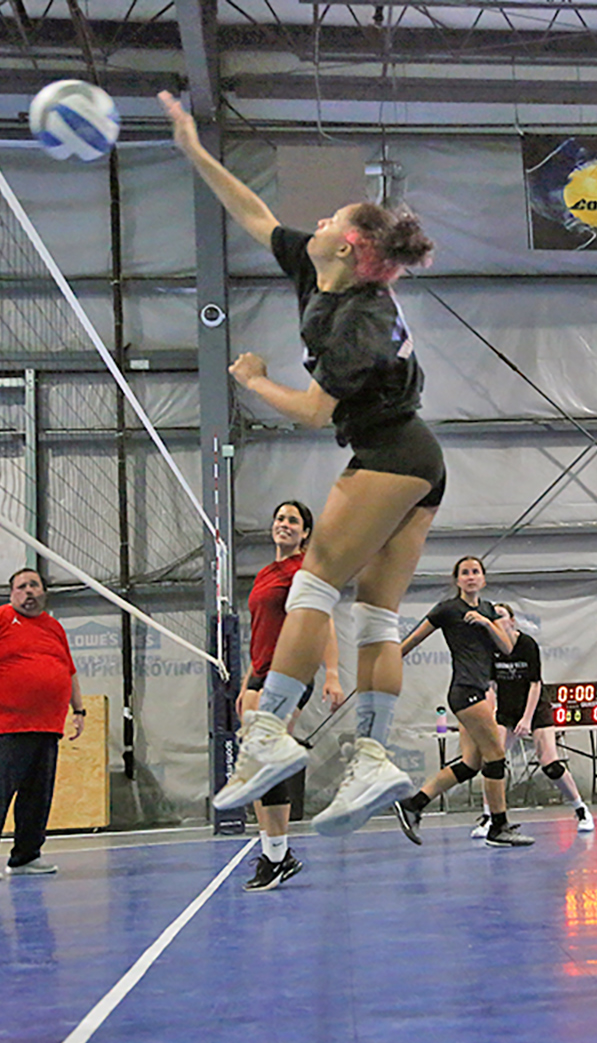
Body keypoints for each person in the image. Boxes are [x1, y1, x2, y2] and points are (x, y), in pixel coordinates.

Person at [159, 91, 438, 835]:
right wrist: (194, 150)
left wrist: (252, 381)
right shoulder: (320, 273)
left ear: (348, 246)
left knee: (313, 582)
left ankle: (269, 731)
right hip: (412, 455)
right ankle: (373, 754)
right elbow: (251, 212)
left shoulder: (361, 319)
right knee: (375, 612)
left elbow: (315, 412)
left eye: (330, 220)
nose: (314, 223)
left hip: (392, 451)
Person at [0, 568, 84, 882]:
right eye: (21, 587)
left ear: (44, 592)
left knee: (37, 797)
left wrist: (79, 709)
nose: (28, 591)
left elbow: (69, 670)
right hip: (4, 725)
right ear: (12, 594)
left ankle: (25, 857)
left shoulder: (54, 628)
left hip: (46, 726)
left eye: (34, 585)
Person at [391, 557, 534, 847]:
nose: (470, 577)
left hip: (479, 690)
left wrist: (486, 622)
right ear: (457, 580)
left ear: (483, 579)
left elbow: (507, 647)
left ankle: (413, 804)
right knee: (495, 755)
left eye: (476, 572)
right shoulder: (448, 609)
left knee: (471, 763)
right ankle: (499, 826)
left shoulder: (488, 610)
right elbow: (414, 638)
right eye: (465, 573)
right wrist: (388, 661)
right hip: (465, 690)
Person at [239, 500, 345, 891]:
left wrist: (332, 673)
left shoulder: (303, 572)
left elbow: (324, 623)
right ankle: (275, 853)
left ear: (305, 534)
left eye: (293, 520)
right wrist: (248, 680)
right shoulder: (266, 574)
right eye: (279, 517)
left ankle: (277, 856)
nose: (284, 523)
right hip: (261, 675)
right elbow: (261, 631)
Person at [479, 602, 593, 838]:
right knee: (492, 762)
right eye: (492, 617)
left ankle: (581, 809)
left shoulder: (527, 645)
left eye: (501, 616)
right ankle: (489, 818)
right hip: (506, 710)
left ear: (512, 621)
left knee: (549, 763)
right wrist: (491, 714)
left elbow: (535, 684)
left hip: (535, 709)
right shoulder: (490, 647)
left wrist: (527, 719)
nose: (496, 621)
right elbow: (491, 685)